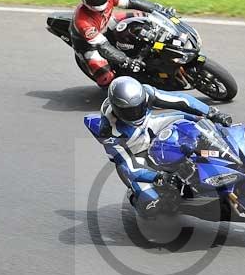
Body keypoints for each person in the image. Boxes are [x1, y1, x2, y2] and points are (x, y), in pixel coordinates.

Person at [90, 76, 233, 216]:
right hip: (135, 149)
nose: (135, 113)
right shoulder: (108, 131)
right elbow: (127, 164)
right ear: (117, 109)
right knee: (149, 204)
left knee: (191, 119)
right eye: (129, 111)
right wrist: (158, 176)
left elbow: (181, 100)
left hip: (149, 126)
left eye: (138, 107)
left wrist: (211, 113)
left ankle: (220, 149)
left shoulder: (146, 93)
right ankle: (133, 195)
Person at [72, 0, 177, 87]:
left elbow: (132, 1)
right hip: (89, 44)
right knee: (106, 78)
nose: (98, 1)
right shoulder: (83, 22)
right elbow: (103, 47)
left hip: (107, 22)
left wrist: (160, 10)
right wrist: (126, 60)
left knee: (142, 18)